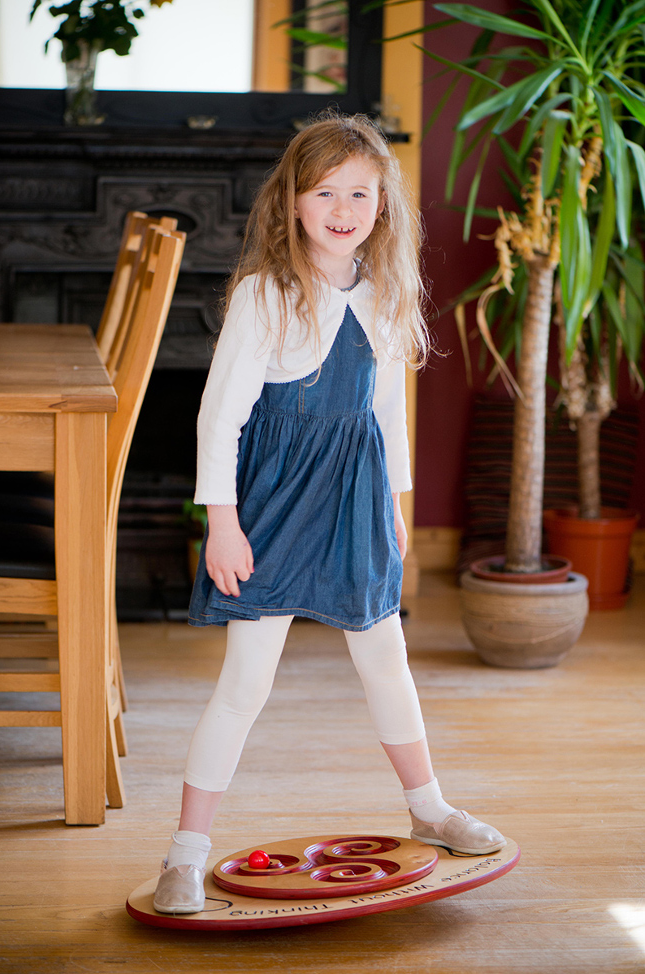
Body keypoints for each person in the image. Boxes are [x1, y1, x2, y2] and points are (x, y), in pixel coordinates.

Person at [153, 112, 505, 914]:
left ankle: (430, 809)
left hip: (355, 501)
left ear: (382, 203)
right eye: (325, 193)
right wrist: (225, 521)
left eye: (360, 192)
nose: (344, 208)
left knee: (388, 663)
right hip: (272, 507)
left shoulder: (384, 292)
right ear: (292, 203)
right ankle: (185, 852)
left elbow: (385, 413)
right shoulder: (264, 294)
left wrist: (395, 505)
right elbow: (220, 417)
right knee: (245, 683)